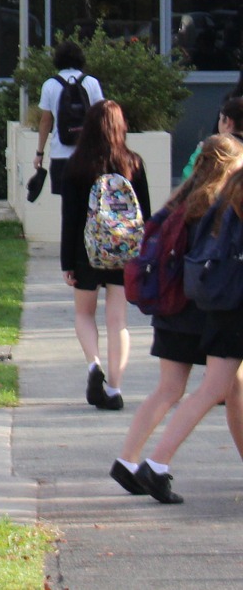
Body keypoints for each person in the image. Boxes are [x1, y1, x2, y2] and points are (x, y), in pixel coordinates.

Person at [112, 122, 243, 498]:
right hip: (200, 311)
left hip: (170, 308)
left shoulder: (179, 200)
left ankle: (127, 459)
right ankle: (157, 462)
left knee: (174, 389)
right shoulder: (217, 205)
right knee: (218, 388)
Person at [60, 99, 151, 411]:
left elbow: (70, 219)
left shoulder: (76, 165)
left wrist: (67, 262)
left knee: (84, 314)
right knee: (118, 322)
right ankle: (114, 388)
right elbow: (146, 217)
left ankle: (93, 365)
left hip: (86, 251)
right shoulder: (133, 164)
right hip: (124, 252)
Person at [33, 41, 103, 193]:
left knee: (67, 205)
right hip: (87, 153)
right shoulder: (92, 83)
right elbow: (101, 117)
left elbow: (46, 121)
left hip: (60, 154)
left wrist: (40, 153)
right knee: (89, 202)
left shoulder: (50, 85)